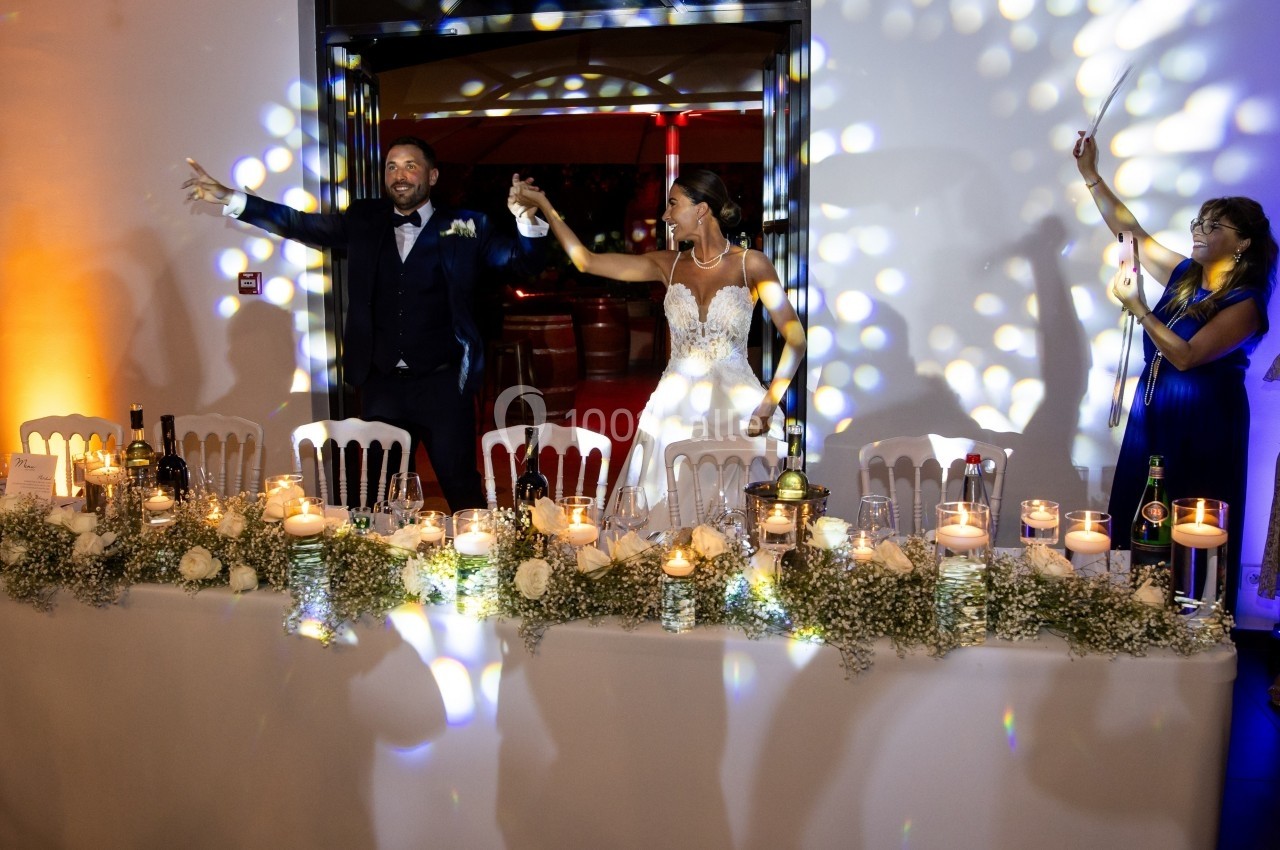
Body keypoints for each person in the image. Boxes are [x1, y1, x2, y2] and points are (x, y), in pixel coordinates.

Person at [184, 137, 548, 510]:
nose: (399, 175)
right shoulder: (365, 219)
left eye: (410, 165)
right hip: (381, 385)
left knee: (460, 487)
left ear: (433, 175)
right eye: (391, 166)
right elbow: (301, 224)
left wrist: (526, 217)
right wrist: (233, 198)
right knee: (378, 493)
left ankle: (478, 563)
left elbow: (523, 263)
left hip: (444, 385)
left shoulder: (467, 225)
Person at [514, 169, 806, 531]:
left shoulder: (752, 264)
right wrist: (543, 203)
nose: (666, 215)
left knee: (733, 520)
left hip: (736, 410)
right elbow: (586, 261)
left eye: (673, 204)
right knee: (662, 518)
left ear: (701, 210)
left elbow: (796, 339)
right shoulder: (666, 265)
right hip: (674, 410)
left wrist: (768, 404)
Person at [1074, 131, 1277, 612]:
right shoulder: (1186, 276)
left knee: (1192, 518)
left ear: (1243, 243)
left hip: (1207, 421)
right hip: (1157, 411)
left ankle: (1192, 620)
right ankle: (1135, 612)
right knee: (1140, 511)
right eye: (1200, 222)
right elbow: (1133, 234)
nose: (1200, 231)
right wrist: (1091, 176)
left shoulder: (1246, 302)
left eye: (1216, 226)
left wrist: (1139, 308)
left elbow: (1187, 356)